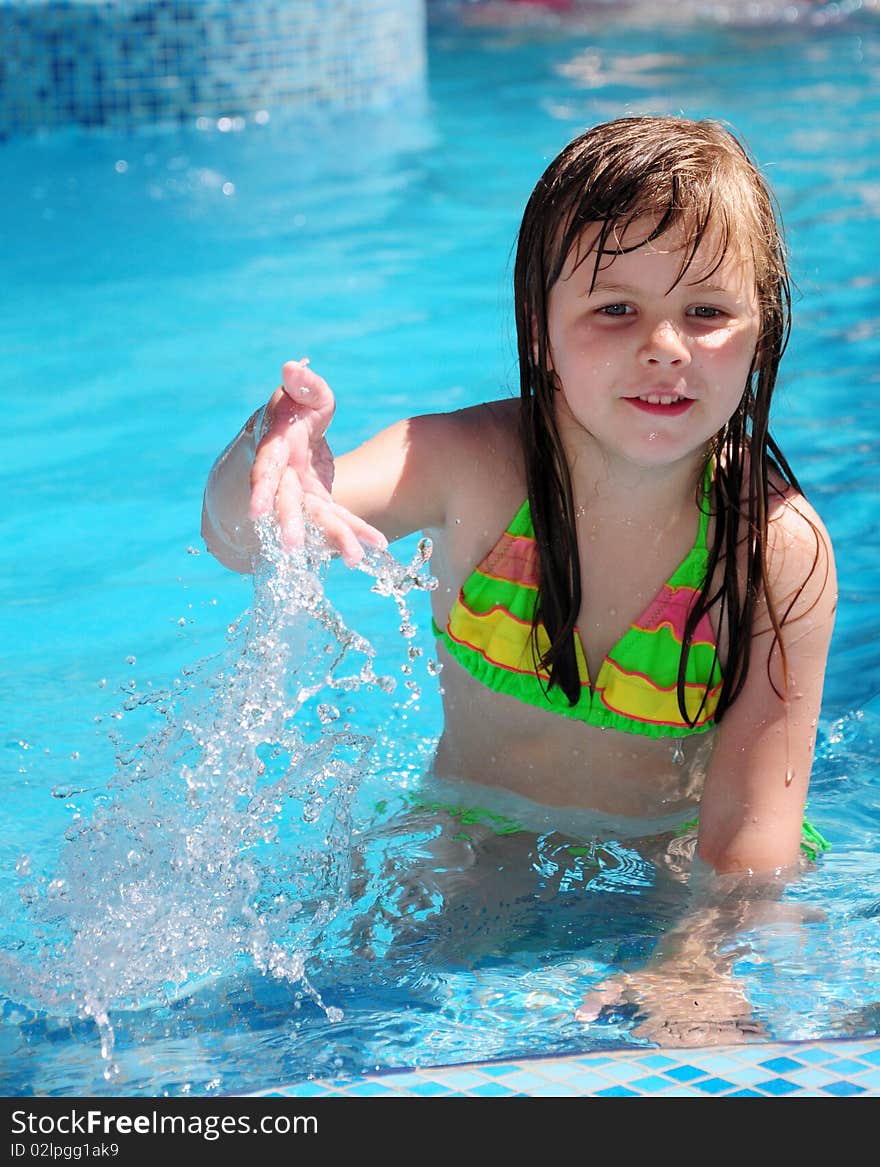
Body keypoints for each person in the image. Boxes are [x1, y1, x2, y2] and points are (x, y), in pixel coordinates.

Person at [201, 116, 837, 1042]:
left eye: (706, 312)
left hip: (665, 873)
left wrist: (693, 961)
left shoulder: (774, 551)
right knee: (323, 1019)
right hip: (474, 838)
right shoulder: (467, 465)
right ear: (540, 332)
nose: (665, 346)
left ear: (761, 329)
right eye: (614, 310)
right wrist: (271, 459)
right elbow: (243, 542)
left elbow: (751, 838)